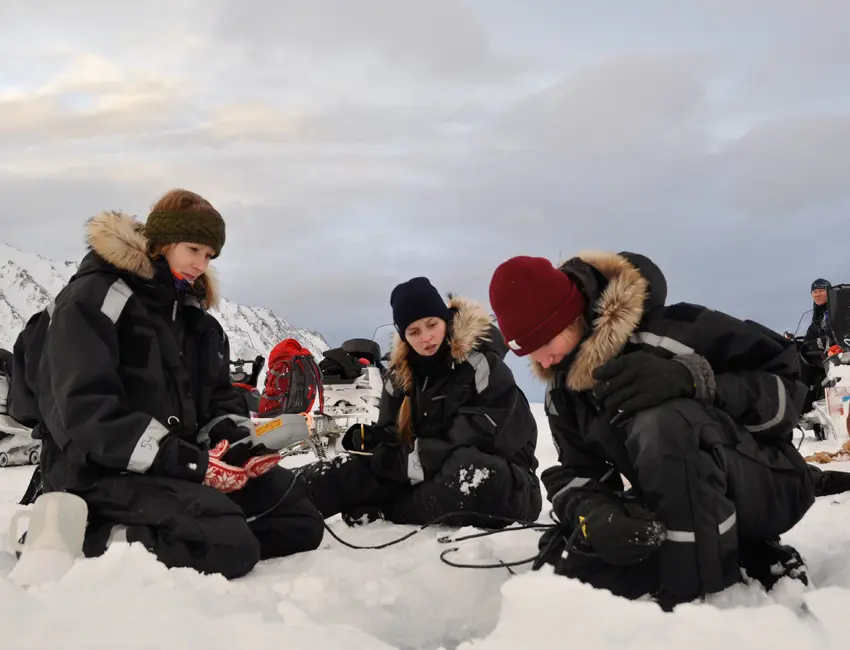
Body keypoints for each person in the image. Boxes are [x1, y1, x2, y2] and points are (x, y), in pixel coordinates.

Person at [20, 189, 323, 578]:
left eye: (210, 256)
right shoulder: (94, 299)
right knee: (228, 540)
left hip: (173, 470)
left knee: (297, 518)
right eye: (193, 249)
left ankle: (187, 532)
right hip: (99, 473)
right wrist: (194, 465)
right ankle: (89, 537)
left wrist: (237, 447)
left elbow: (217, 400)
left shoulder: (195, 318)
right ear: (163, 242)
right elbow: (86, 411)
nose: (201, 264)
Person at [488, 251, 816, 611]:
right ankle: (724, 557)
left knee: (663, 422)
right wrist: (594, 514)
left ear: (570, 314)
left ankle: (703, 601)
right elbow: (580, 472)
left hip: (770, 484)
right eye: (530, 353)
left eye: (545, 343)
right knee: (566, 570)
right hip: (682, 503)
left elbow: (790, 388)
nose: (543, 361)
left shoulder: (674, 329)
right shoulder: (564, 390)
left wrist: (695, 380)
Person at [298, 277, 541, 528]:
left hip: (506, 481)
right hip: (427, 471)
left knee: (465, 469)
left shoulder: (483, 365)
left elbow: (479, 436)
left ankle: (387, 512)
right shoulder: (402, 375)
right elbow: (391, 436)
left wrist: (408, 462)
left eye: (432, 325)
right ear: (404, 336)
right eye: (414, 332)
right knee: (349, 469)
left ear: (444, 320)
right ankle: (277, 502)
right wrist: (374, 442)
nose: (426, 337)